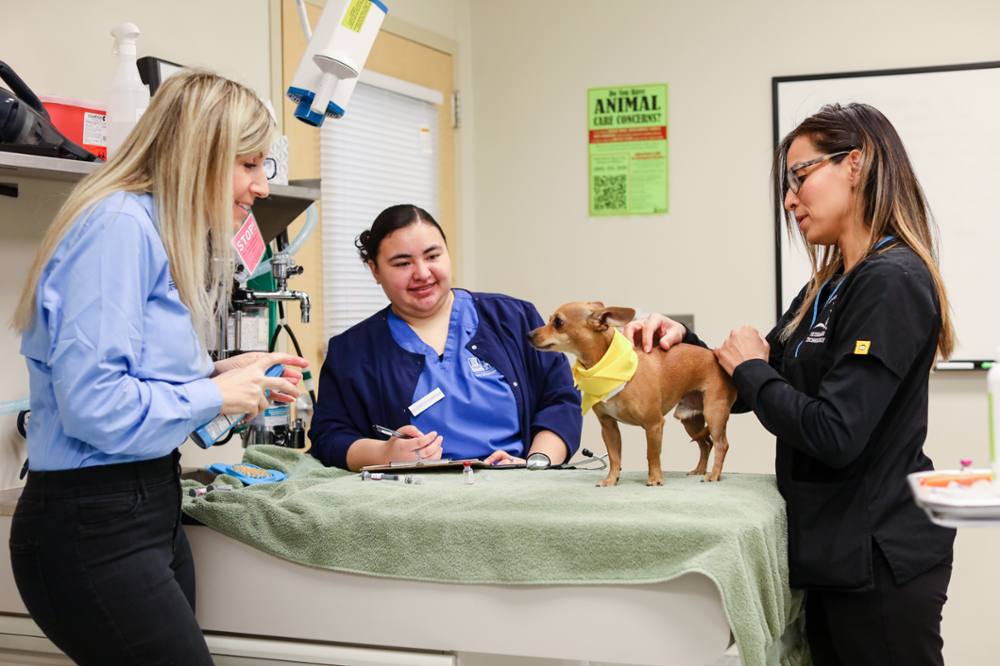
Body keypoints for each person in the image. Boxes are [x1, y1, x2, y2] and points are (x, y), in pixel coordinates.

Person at [625, 103, 956, 666]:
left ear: (855, 164)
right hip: (828, 553)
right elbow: (762, 382)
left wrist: (753, 367)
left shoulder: (891, 282)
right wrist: (689, 345)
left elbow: (835, 432)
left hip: (878, 559)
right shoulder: (827, 286)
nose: (789, 199)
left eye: (800, 176)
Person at [9, 69, 308, 666]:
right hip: (92, 523)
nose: (261, 186)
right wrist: (218, 397)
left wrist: (220, 374)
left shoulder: (150, 228)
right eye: (248, 164)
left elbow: (131, 373)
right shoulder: (117, 226)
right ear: (201, 153)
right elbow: (96, 405)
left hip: (147, 506)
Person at [309, 204, 582, 471]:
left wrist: (535, 464)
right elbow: (329, 437)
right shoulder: (352, 351)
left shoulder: (513, 319)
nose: (422, 273)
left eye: (432, 257)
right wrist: (384, 453)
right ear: (375, 270)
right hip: (414, 501)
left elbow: (559, 401)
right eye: (403, 263)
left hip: (515, 487)